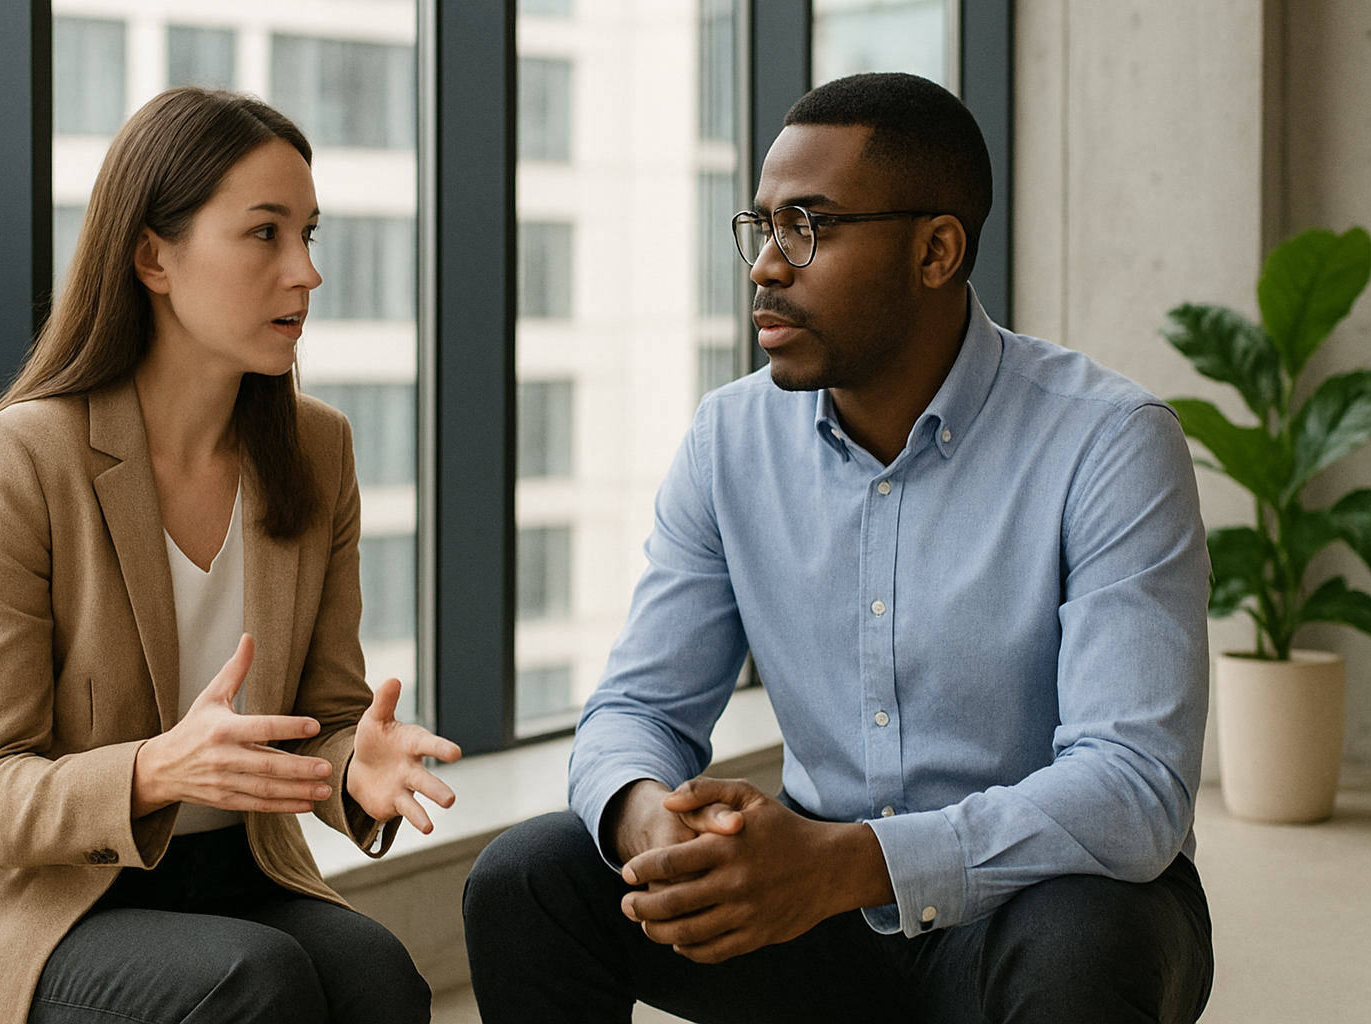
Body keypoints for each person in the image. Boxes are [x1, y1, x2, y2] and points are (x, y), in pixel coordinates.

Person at [463, 72, 1214, 1022]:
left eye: (807, 228)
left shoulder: (1108, 441)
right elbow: (637, 707)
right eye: (761, 227)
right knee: (527, 880)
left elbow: (1133, 788)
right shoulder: (729, 440)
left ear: (936, 249)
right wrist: (648, 814)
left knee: (1085, 941)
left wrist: (844, 867)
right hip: (815, 913)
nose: (767, 266)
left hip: (1038, 900)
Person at [0, 87, 460, 1024]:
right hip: (52, 902)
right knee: (255, 984)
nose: (307, 271)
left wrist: (355, 766)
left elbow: (326, 716)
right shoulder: (22, 457)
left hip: (238, 874)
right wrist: (156, 770)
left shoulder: (318, 449)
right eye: (265, 234)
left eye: (310, 234)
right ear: (153, 254)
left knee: (376, 977)